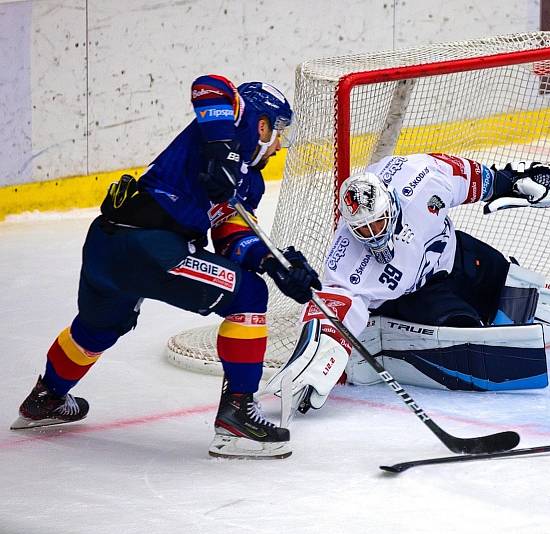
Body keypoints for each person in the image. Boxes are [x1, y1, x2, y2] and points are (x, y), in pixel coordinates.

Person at [10, 75, 321, 459]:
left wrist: (274, 263)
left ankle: (46, 398)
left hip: (110, 247)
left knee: (98, 329)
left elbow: (230, 239)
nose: (278, 145)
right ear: (261, 124)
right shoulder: (229, 122)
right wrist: (222, 149)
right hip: (153, 249)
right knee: (249, 295)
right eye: (277, 132)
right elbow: (209, 85)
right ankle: (236, 419)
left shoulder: (248, 183)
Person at [267, 152, 550, 414]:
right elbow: (332, 312)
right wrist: (319, 358)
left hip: (457, 254)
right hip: (420, 295)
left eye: (378, 221)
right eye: (363, 229)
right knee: (467, 336)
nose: (373, 234)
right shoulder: (345, 261)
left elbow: (472, 179)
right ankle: (410, 331)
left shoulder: (420, 178)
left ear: (389, 203)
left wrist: (513, 183)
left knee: (530, 303)